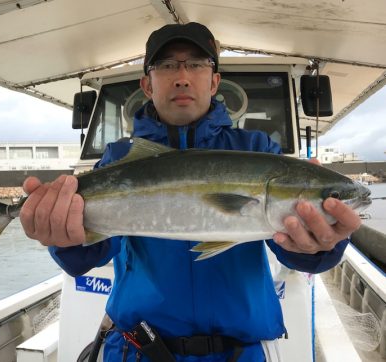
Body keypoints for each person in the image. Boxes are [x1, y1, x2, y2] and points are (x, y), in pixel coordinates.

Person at [20, 22, 361, 361]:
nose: (182, 76)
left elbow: (289, 248)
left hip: (238, 353)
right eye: (167, 65)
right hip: (139, 349)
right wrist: (63, 240)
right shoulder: (119, 159)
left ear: (214, 82)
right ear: (147, 85)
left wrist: (318, 249)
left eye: (196, 64)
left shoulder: (256, 150)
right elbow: (89, 255)